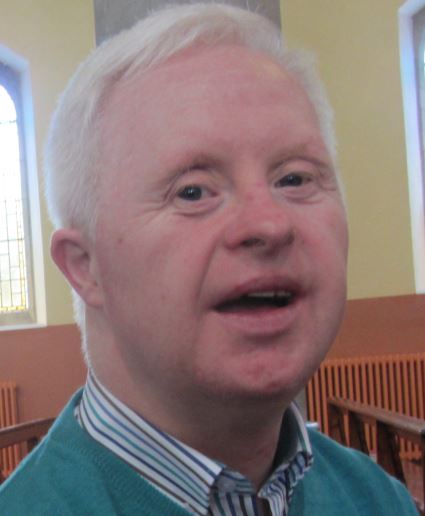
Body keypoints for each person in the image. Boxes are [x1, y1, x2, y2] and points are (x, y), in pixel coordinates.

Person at [0, 3, 418, 515]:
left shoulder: (378, 500)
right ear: (86, 266)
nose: (270, 224)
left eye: (294, 178)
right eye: (193, 191)